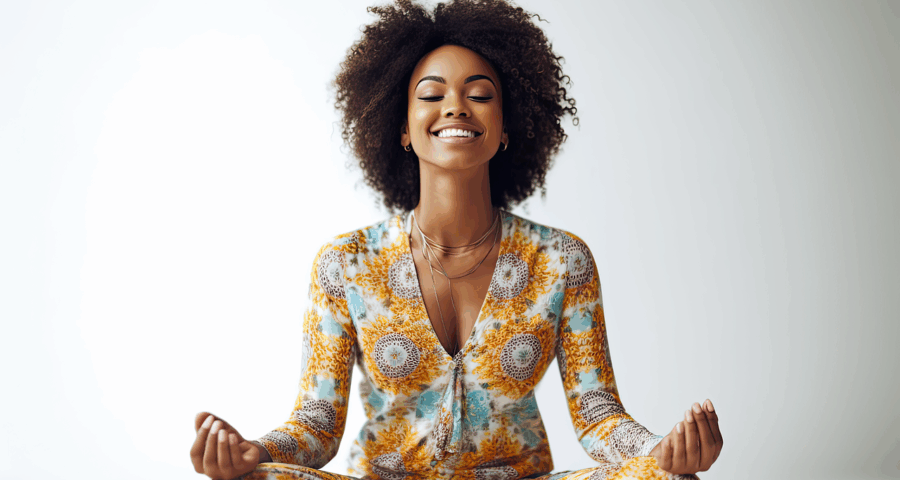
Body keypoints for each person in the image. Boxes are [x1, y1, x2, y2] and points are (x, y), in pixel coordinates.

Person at [189, 0, 724, 479]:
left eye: (480, 94)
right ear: (401, 127)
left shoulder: (563, 261)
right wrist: (254, 452)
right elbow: (318, 422)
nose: (456, 107)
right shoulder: (345, 264)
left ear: (506, 126)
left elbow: (597, 414)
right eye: (431, 93)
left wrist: (661, 451)